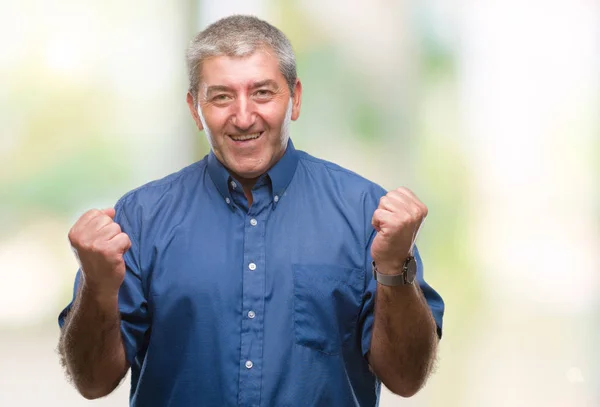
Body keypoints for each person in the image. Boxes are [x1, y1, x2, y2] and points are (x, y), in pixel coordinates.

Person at [57, 14, 444, 407]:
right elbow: (92, 382)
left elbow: (406, 378)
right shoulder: (139, 219)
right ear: (195, 109)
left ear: (294, 99)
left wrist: (394, 270)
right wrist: (98, 287)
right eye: (222, 96)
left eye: (262, 92)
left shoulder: (365, 213)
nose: (243, 118)